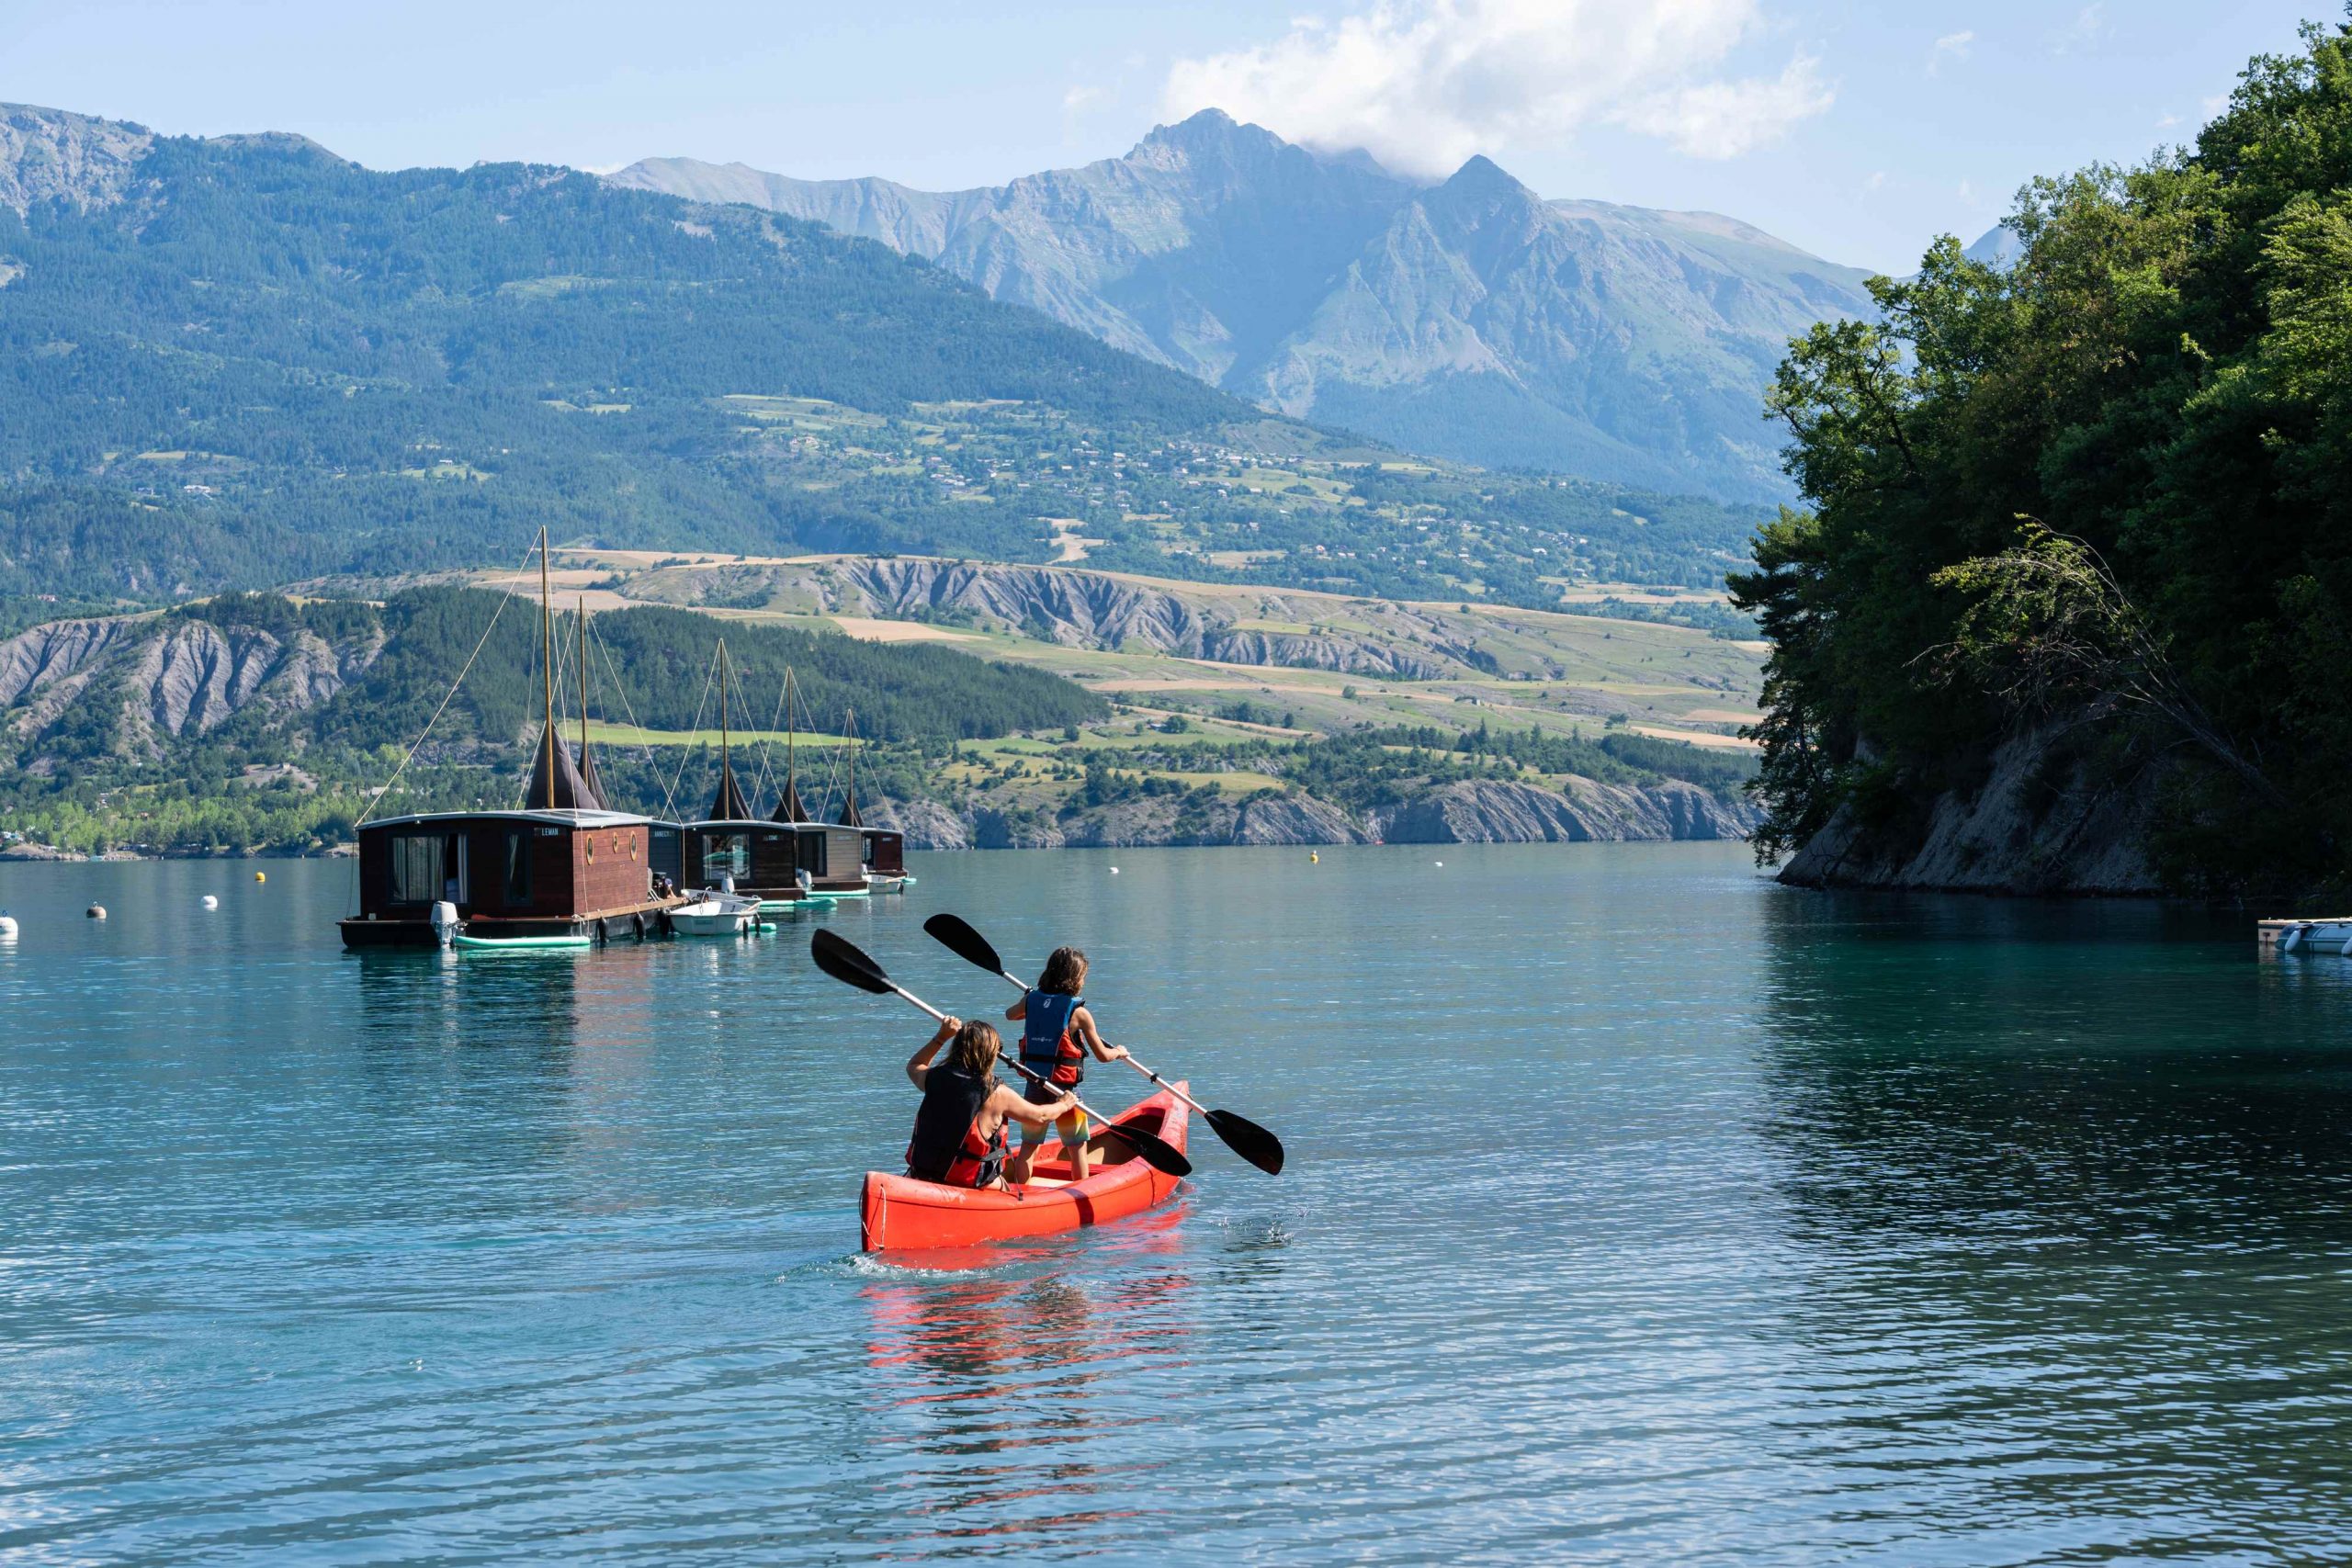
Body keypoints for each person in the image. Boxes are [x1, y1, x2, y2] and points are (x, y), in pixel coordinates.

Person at [902, 1016, 1076, 1190]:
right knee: (1006, 1187)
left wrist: (941, 1037)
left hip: (922, 1173)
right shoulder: (996, 1094)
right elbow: (1041, 1116)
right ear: (990, 1055)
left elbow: (915, 1065)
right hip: (966, 1181)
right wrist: (1063, 1104)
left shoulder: (934, 1077)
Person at [1004, 946, 1128, 1183]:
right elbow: (1102, 1056)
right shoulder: (1080, 1014)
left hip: (1035, 1085)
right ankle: (1080, 1191)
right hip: (1066, 1091)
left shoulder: (1030, 1000)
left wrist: (1032, 1005)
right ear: (1076, 979)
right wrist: (1119, 1052)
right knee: (1077, 1149)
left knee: (1029, 1147)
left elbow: (1010, 1014)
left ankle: (1022, 1194)